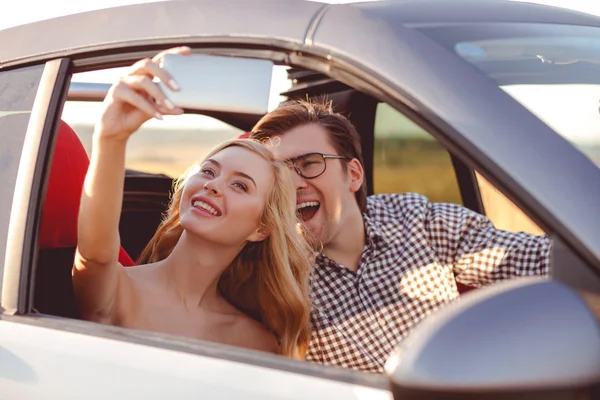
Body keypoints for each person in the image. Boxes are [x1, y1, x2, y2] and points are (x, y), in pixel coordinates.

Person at [250, 99, 551, 372]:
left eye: (309, 164)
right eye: (278, 174)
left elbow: (534, 259)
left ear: (353, 174)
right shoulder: (268, 273)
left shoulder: (415, 220)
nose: (292, 184)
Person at [72, 48, 313, 359]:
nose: (212, 185)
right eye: (209, 171)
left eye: (240, 185)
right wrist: (110, 138)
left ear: (261, 228)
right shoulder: (119, 289)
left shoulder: (257, 343)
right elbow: (94, 256)